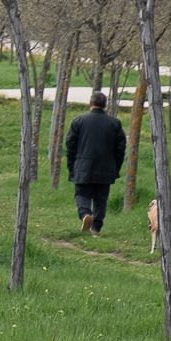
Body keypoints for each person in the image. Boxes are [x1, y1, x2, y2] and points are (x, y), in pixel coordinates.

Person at [64, 89, 126, 233]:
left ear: (90, 103)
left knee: (81, 194)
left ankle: (85, 214)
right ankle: (96, 228)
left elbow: (70, 145)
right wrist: (115, 168)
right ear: (105, 105)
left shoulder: (79, 121)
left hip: (83, 165)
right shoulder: (115, 123)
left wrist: (72, 166)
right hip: (106, 167)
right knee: (101, 198)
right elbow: (120, 149)